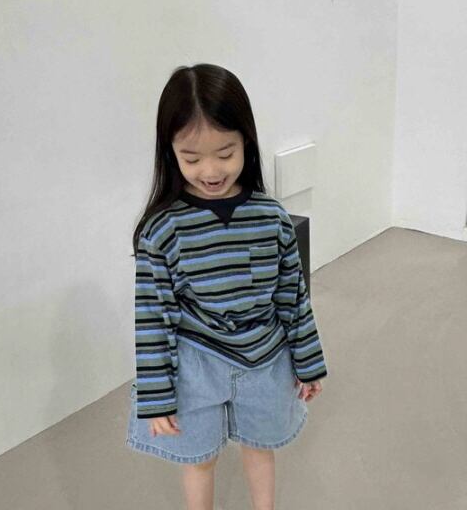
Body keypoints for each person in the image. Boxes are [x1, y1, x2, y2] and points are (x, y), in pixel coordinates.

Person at [125, 63, 328, 510]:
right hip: (195, 364)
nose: (211, 170)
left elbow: (292, 297)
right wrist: (158, 396)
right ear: (170, 153)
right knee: (199, 458)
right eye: (192, 158)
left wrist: (308, 361)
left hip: (265, 359)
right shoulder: (162, 231)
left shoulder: (272, 218)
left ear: (246, 143)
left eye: (225, 152)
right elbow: (153, 319)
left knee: (261, 446)